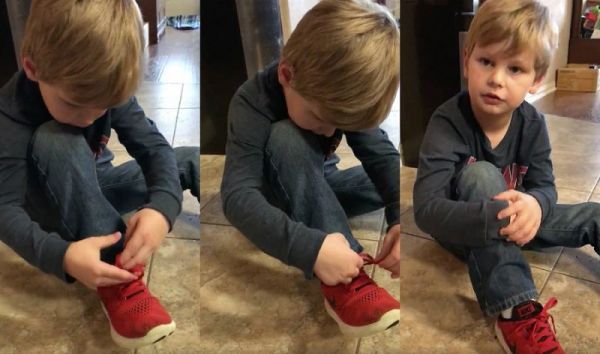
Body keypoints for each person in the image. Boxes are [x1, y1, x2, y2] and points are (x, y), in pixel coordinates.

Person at [0, 0, 199, 349]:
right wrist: (61, 255)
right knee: (56, 141)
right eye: (75, 105)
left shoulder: (102, 82)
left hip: (94, 182)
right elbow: (4, 210)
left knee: (185, 158)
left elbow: (152, 148)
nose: (90, 119)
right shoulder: (8, 117)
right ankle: (116, 279)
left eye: (104, 107)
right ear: (32, 68)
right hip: (46, 208)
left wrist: (162, 209)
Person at [412, 0, 592, 352]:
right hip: (464, 228)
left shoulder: (533, 123)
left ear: (536, 80)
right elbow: (426, 209)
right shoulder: (447, 122)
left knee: (592, 213)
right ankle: (516, 311)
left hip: (518, 220)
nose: (496, 78)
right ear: (467, 60)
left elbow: (545, 186)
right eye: (486, 62)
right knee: (481, 175)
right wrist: (493, 216)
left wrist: (537, 206)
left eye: (514, 69)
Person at [221, 0, 400, 337]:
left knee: (397, 184)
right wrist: (312, 249)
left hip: (316, 182)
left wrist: (400, 218)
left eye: (340, 125)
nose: (331, 133)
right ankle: (346, 281)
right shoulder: (250, 102)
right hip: (272, 197)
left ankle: (319, 207)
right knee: (286, 137)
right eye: (321, 119)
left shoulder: (337, 91)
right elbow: (236, 196)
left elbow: (382, 159)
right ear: (286, 75)